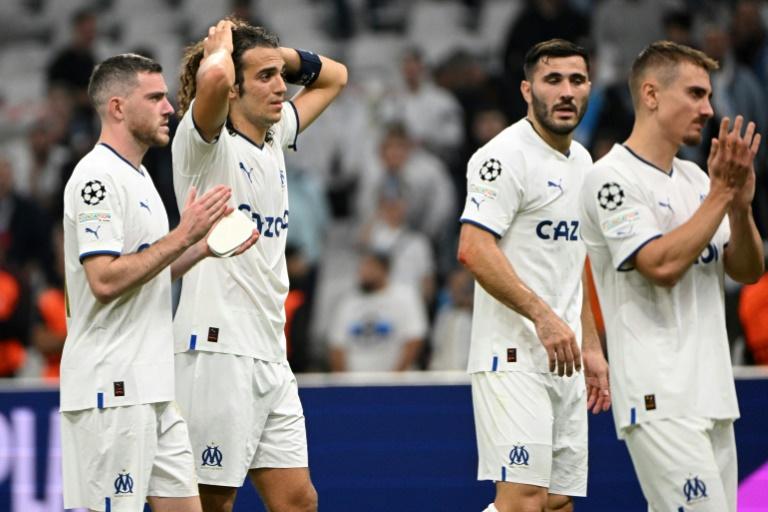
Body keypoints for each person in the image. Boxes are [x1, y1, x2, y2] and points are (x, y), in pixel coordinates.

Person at [59, 53, 257, 512]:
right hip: (112, 387)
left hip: (153, 387)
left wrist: (200, 248)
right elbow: (105, 279)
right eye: (155, 97)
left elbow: (146, 272)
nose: (170, 107)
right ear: (117, 108)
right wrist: (182, 234)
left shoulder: (141, 175)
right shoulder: (96, 179)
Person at [579, 41, 764, 512]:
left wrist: (740, 210)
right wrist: (722, 197)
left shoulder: (697, 180)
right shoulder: (611, 179)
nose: (708, 108)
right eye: (696, 94)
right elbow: (659, 266)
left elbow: (748, 269)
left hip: (713, 394)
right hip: (660, 393)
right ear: (651, 94)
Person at [172, 18, 347, 512]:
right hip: (216, 350)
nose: (281, 87)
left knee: (298, 501)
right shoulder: (204, 146)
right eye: (265, 77)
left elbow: (336, 76)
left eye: (281, 76)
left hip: (270, 352)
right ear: (232, 89)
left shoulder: (274, 137)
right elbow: (209, 83)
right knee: (212, 503)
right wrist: (223, 51)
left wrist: (276, 55)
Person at [456, 39, 611, 512]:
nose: (566, 92)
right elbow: (473, 249)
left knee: (558, 502)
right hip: (512, 357)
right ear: (527, 90)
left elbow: (574, 261)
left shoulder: (583, 162)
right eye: (553, 80)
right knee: (523, 501)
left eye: (577, 80)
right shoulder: (501, 156)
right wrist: (543, 317)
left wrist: (590, 343)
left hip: (563, 358)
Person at [328, 250, 428, 372]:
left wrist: (394, 379)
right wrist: (343, 384)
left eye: (369, 266)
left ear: (384, 269)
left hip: (396, 384)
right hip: (355, 384)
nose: (363, 272)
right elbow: (337, 346)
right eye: (362, 267)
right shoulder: (347, 303)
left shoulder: (405, 296)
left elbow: (414, 338)